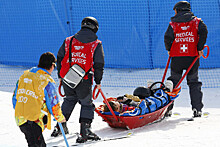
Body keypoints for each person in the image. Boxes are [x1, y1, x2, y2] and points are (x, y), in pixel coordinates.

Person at [51, 16, 105, 143]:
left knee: (69, 100)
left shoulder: (68, 41)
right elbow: (99, 64)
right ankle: (85, 131)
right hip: (84, 79)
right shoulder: (96, 44)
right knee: (87, 104)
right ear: (95, 28)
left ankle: (59, 127)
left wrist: (60, 76)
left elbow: (59, 57)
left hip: (67, 77)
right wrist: (98, 82)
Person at [12, 52, 66, 147]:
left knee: (33, 142)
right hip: (33, 120)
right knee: (36, 143)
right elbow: (53, 104)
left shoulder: (24, 76)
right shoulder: (46, 81)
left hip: (20, 118)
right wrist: (60, 118)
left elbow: (15, 98)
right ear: (52, 65)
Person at [164, 1, 208, 117]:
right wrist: (199, 48)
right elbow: (204, 32)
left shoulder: (173, 24)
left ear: (178, 10)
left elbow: (167, 37)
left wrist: (169, 49)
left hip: (177, 57)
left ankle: (167, 109)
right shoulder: (197, 22)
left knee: (172, 82)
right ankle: (197, 109)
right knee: (193, 82)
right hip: (192, 57)